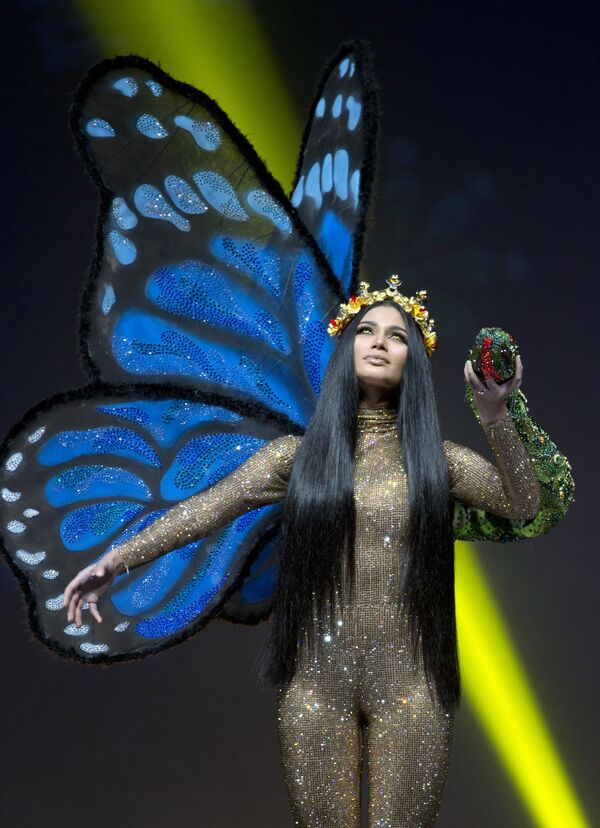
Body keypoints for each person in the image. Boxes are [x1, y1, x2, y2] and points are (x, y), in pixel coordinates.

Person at [63, 278, 542, 827]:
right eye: (367, 331)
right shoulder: (295, 458)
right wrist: (116, 560)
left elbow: (522, 502)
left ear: (414, 359)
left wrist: (495, 416)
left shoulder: (437, 460)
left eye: (397, 336)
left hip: (412, 687)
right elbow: (207, 509)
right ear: (346, 350)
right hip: (315, 686)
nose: (380, 342)